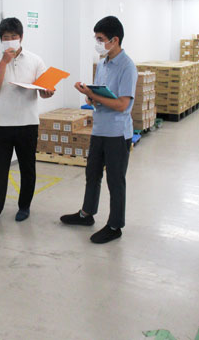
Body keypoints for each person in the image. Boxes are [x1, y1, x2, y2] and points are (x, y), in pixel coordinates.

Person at [60, 16, 137, 244]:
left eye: (101, 39)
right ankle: (87, 214)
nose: (98, 43)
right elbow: (101, 96)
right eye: (96, 39)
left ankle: (115, 226)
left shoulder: (127, 67)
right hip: (99, 130)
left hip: (117, 133)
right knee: (92, 175)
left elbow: (122, 104)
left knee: (115, 181)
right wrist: (90, 96)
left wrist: (93, 95)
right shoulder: (103, 64)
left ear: (115, 40)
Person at [0, 17, 54, 226]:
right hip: (0, 125)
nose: (10, 40)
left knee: (27, 168)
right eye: (6, 37)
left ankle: (24, 207)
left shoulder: (35, 60)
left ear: (21, 37)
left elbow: (44, 90)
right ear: (1, 39)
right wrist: (4, 62)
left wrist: (47, 92)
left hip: (27, 124)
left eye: (14, 36)